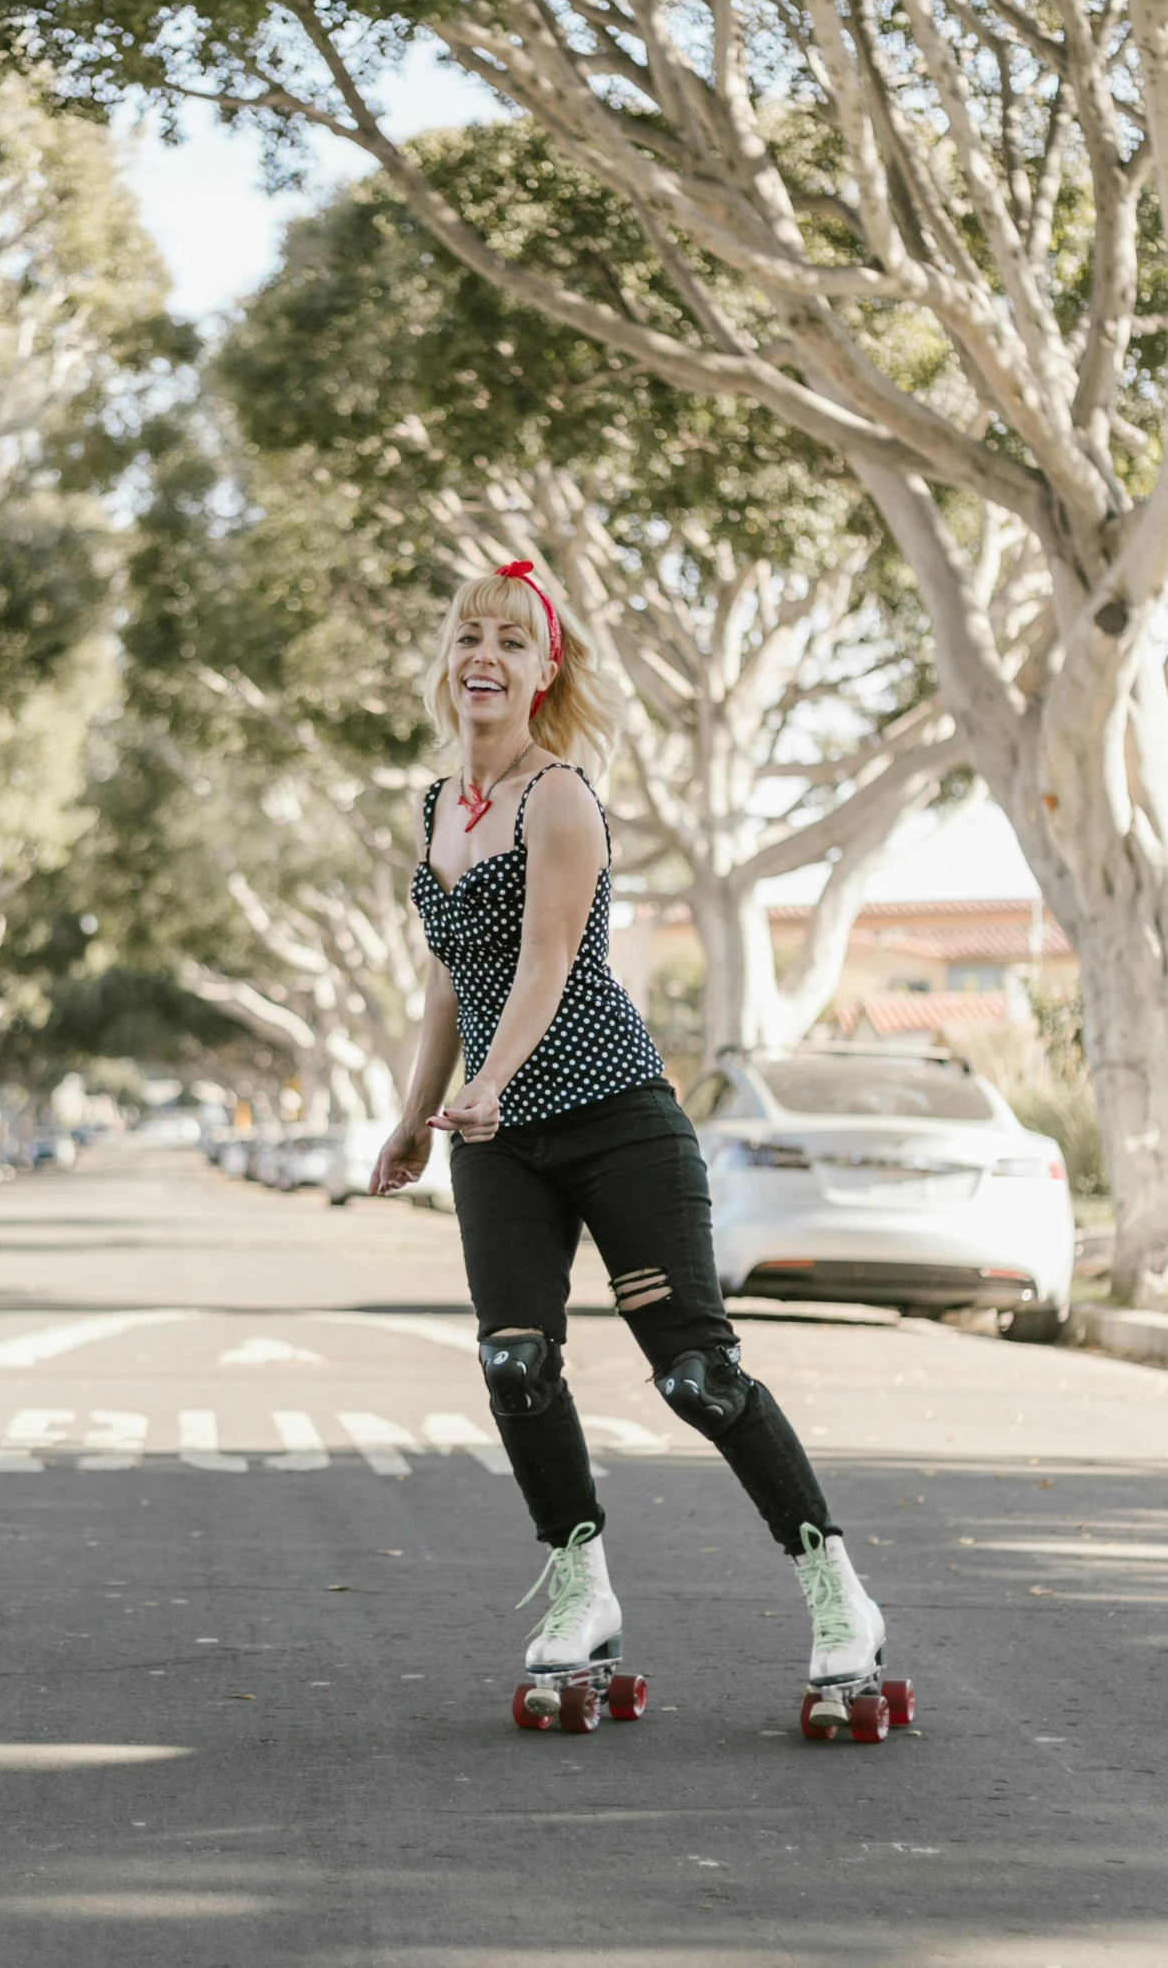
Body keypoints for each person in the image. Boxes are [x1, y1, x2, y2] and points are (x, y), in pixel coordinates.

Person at [370, 561, 886, 1730]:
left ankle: (836, 1593)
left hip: (613, 1122)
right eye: (465, 636)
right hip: (497, 1142)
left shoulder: (560, 798)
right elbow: (454, 976)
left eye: (508, 638)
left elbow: (548, 962)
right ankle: (580, 1583)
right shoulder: (435, 805)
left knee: (694, 1374)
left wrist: (491, 1085)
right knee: (514, 1363)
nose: (482, 656)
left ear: (543, 670)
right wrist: (418, 1108)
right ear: (447, 660)